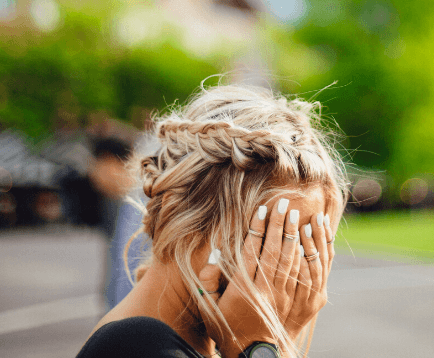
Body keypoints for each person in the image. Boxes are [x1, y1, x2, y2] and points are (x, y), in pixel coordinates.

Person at [76, 82, 349, 358]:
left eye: (307, 246)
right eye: (272, 237)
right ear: (181, 216)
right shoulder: (138, 346)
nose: (290, 271)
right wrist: (257, 345)